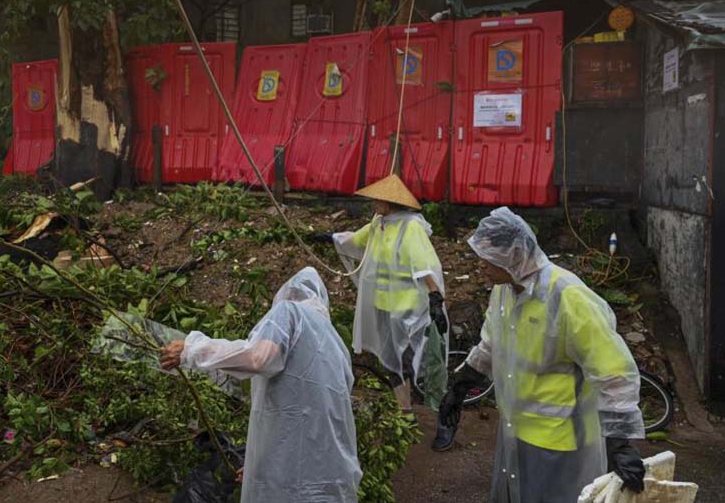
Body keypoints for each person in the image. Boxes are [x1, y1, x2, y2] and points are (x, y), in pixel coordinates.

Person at [434, 207, 645, 502]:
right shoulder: (504, 291)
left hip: (562, 440)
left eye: (488, 257)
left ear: (516, 254)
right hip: (516, 431)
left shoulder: (566, 296)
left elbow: (613, 371)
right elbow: (491, 344)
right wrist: (459, 386)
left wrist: (620, 443)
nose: (481, 265)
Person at [159, 268, 361, 502]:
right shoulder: (337, 345)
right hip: (332, 478)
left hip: (292, 488)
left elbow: (257, 357)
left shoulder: (290, 312)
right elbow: (306, 420)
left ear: (288, 295)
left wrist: (192, 350)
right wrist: (263, 464)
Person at [315, 174, 448, 410]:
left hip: (408, 308)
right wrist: (329, 238)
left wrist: (434, 295)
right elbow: (357, 240)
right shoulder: (379, 224)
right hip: (383, 304)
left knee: (406, 360)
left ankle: (422, 406)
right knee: (390, 359)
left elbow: (423, 264)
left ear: (390, 203)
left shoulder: (410, 227)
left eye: (378, 200)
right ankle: (404, 408)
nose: (374, 204)